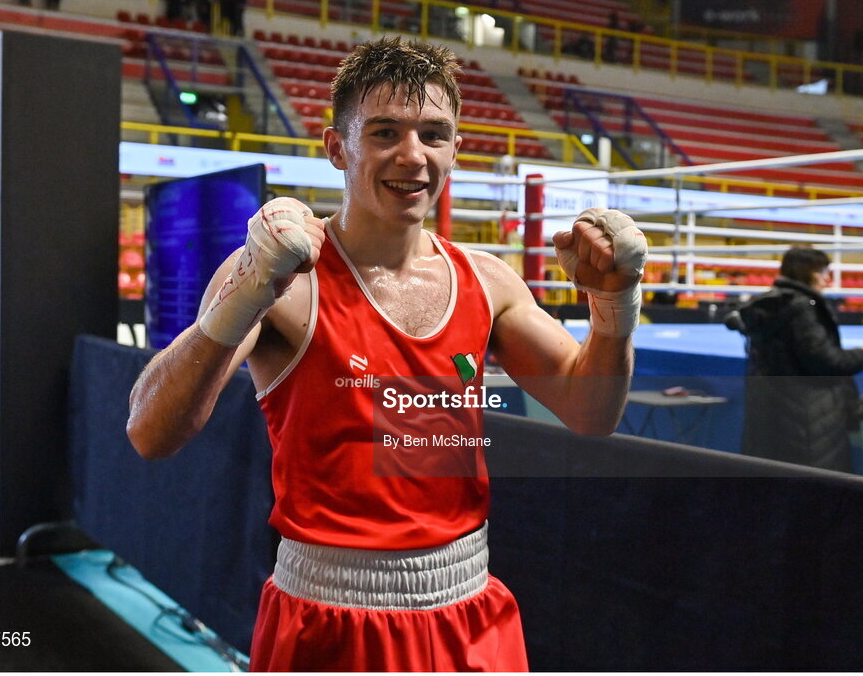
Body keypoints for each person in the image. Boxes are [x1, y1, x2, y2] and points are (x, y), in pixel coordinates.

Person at [127, 37, 647, 671]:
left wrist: (613, 308)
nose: (413, 155)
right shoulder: (288, 279)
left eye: (434, 133)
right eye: (384, 132)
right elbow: (149, 433)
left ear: (456, 148)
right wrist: (242, 297)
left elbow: (590, 411)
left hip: (467, 611)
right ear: (336, 148)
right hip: (326, 617)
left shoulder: (489, 281)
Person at [726, 246, 863, 471]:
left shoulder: (766, 305)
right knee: (814, 491)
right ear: (810, 272)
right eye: (823, 271)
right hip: (808, 420)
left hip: (770, 412)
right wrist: (861, 354)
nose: (826, 279)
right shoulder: (803, 307)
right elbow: (825, 361)